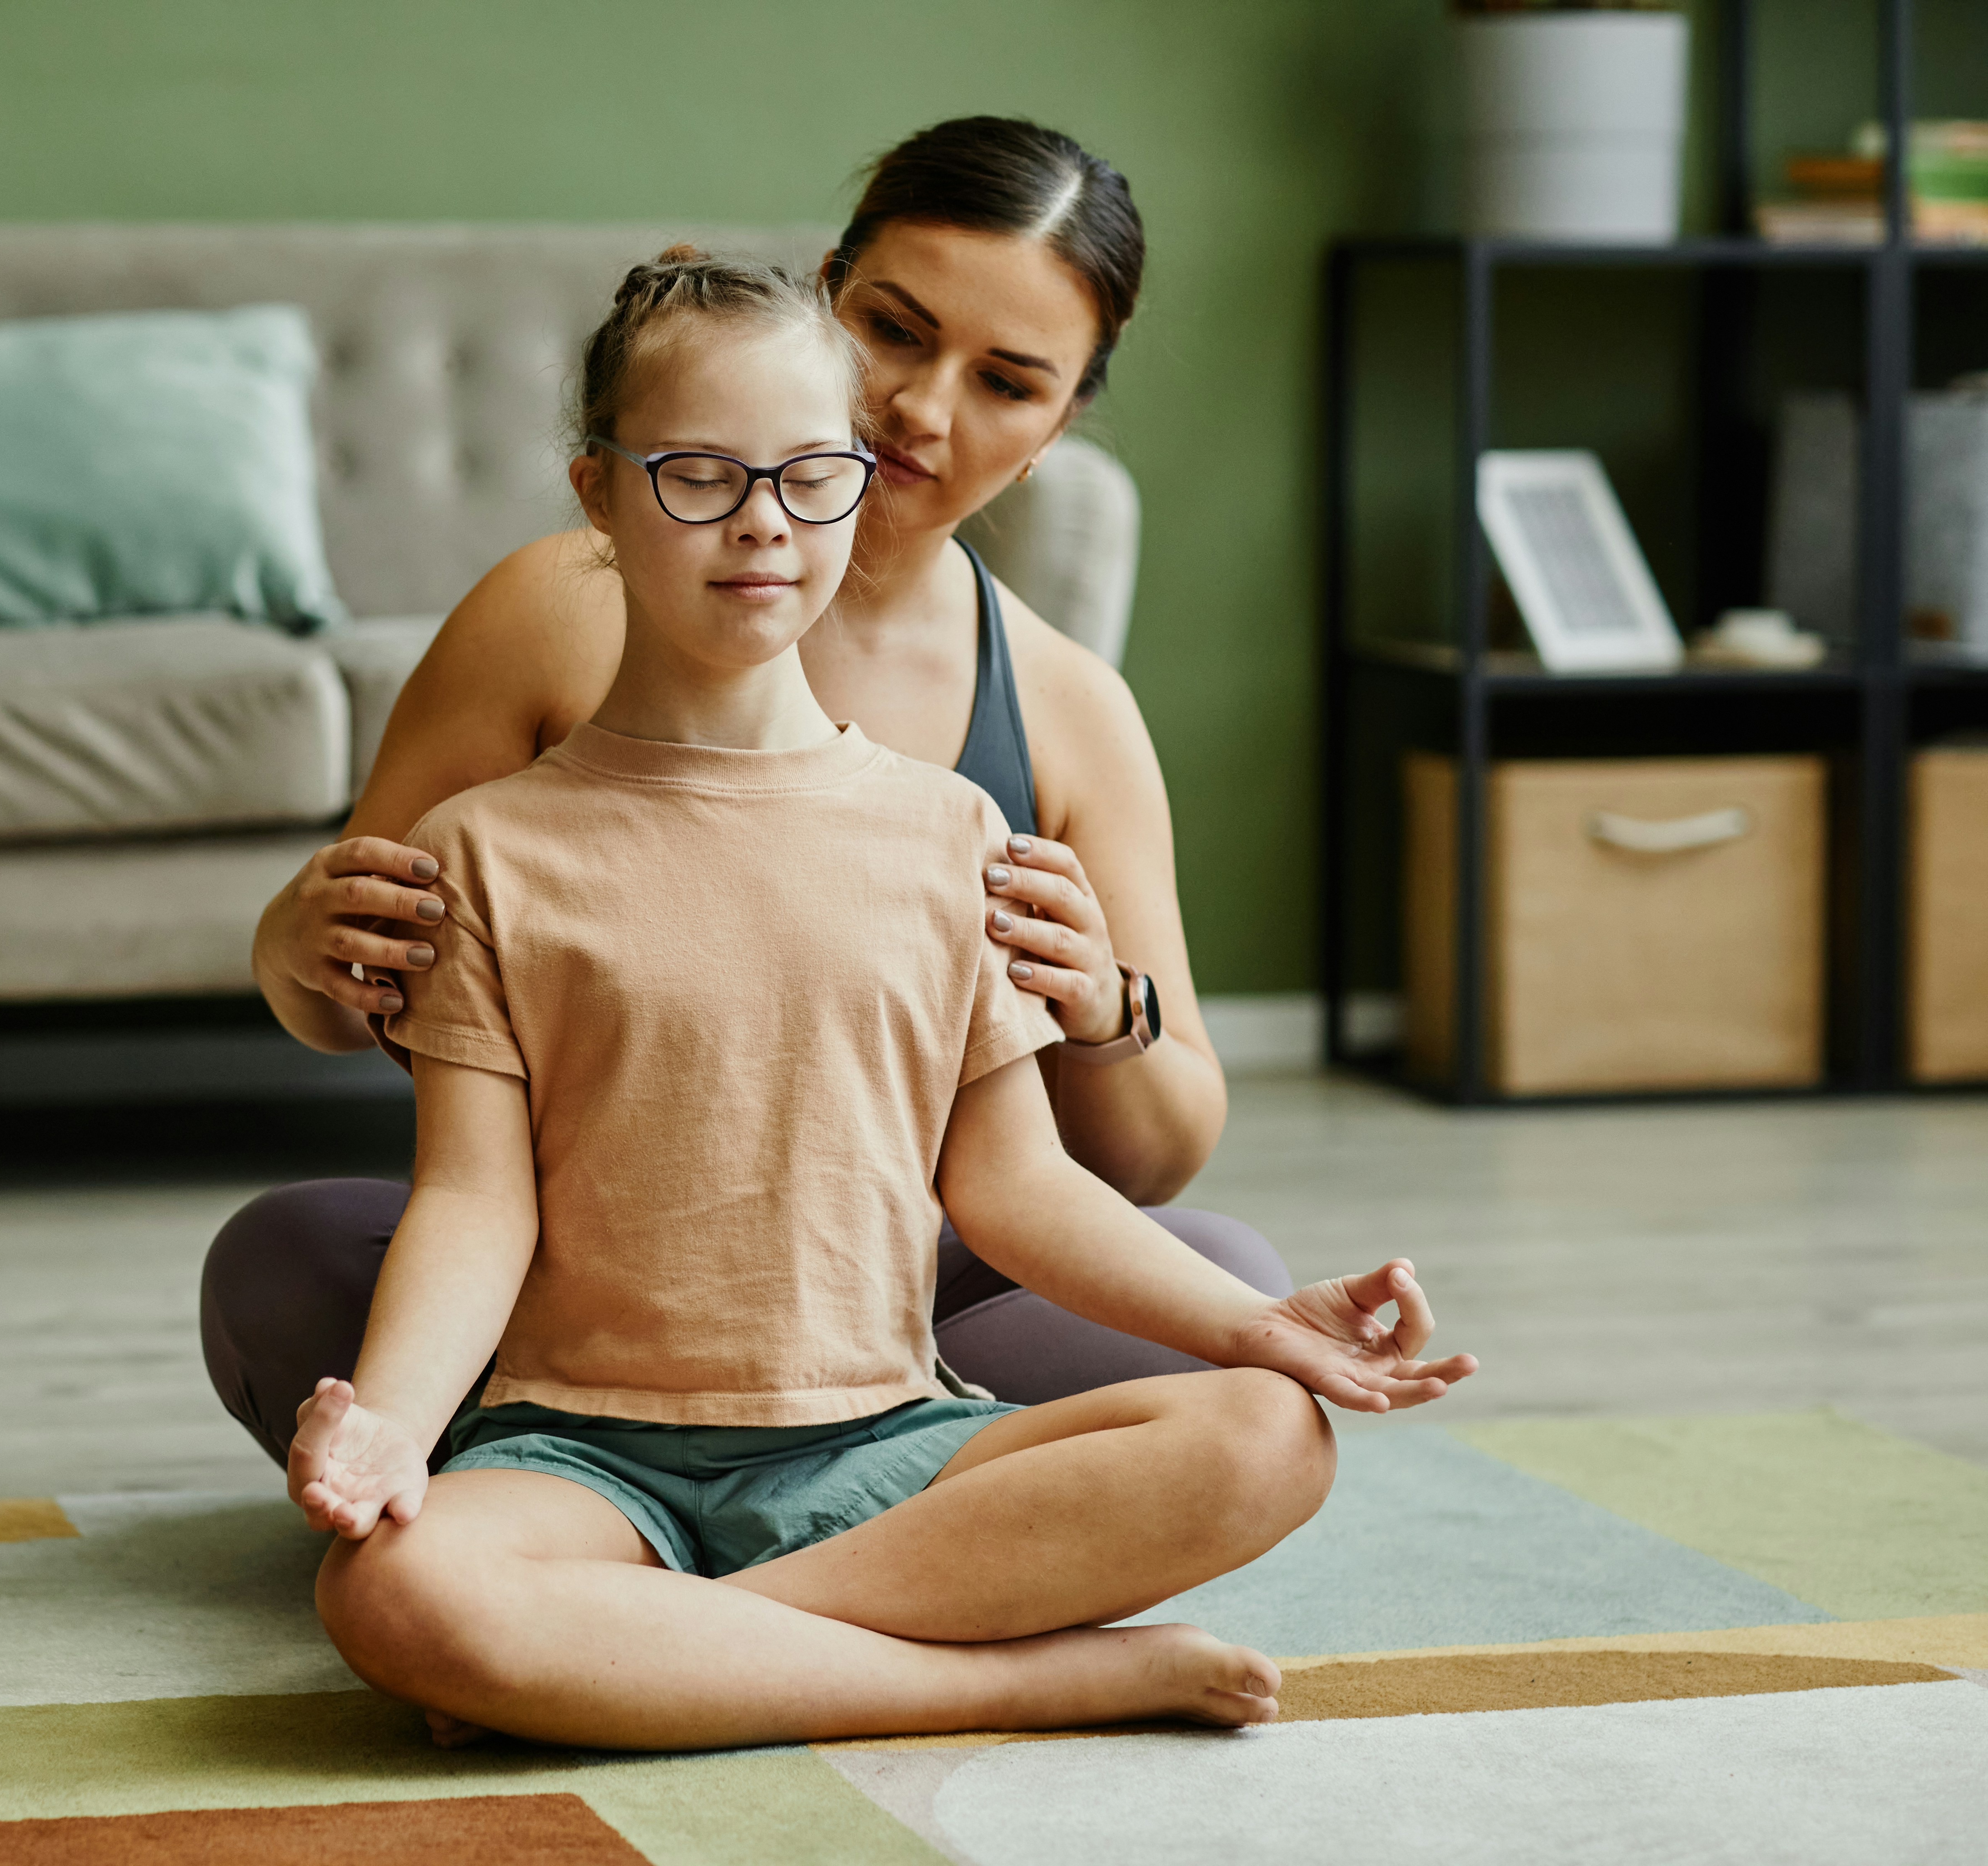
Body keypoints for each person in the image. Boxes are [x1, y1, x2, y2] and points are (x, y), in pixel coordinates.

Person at [289, 247, 1474, 1751]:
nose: (764, 528)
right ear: (597, 493)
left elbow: (1017, 1186)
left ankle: (651, 1662)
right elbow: (475, 1203)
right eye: (699, 477)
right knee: (392, 1596)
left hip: (890, 1441)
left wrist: (1265, 1329)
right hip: (580, 1460)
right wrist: (394, 1416)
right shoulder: (487, 850)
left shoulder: (952, 836)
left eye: (809, 477)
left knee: (1266, 1437)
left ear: (859, 480)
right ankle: (1013, 1680)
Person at [206, 118, 1284, 1460]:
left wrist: (1102, 1011)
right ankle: (878, 1515)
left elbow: (1147, 1166)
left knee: (1231, 1277)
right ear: (828, 296)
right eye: (895, 328)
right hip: (581, 1276)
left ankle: (685, 1516)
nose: (923, 410)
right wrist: (291, 942)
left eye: (1008, 382)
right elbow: (346, 986)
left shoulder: (1070, 714)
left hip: (900, 1291)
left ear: (1060, 422)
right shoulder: (553, 609)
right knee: (282, 1262)